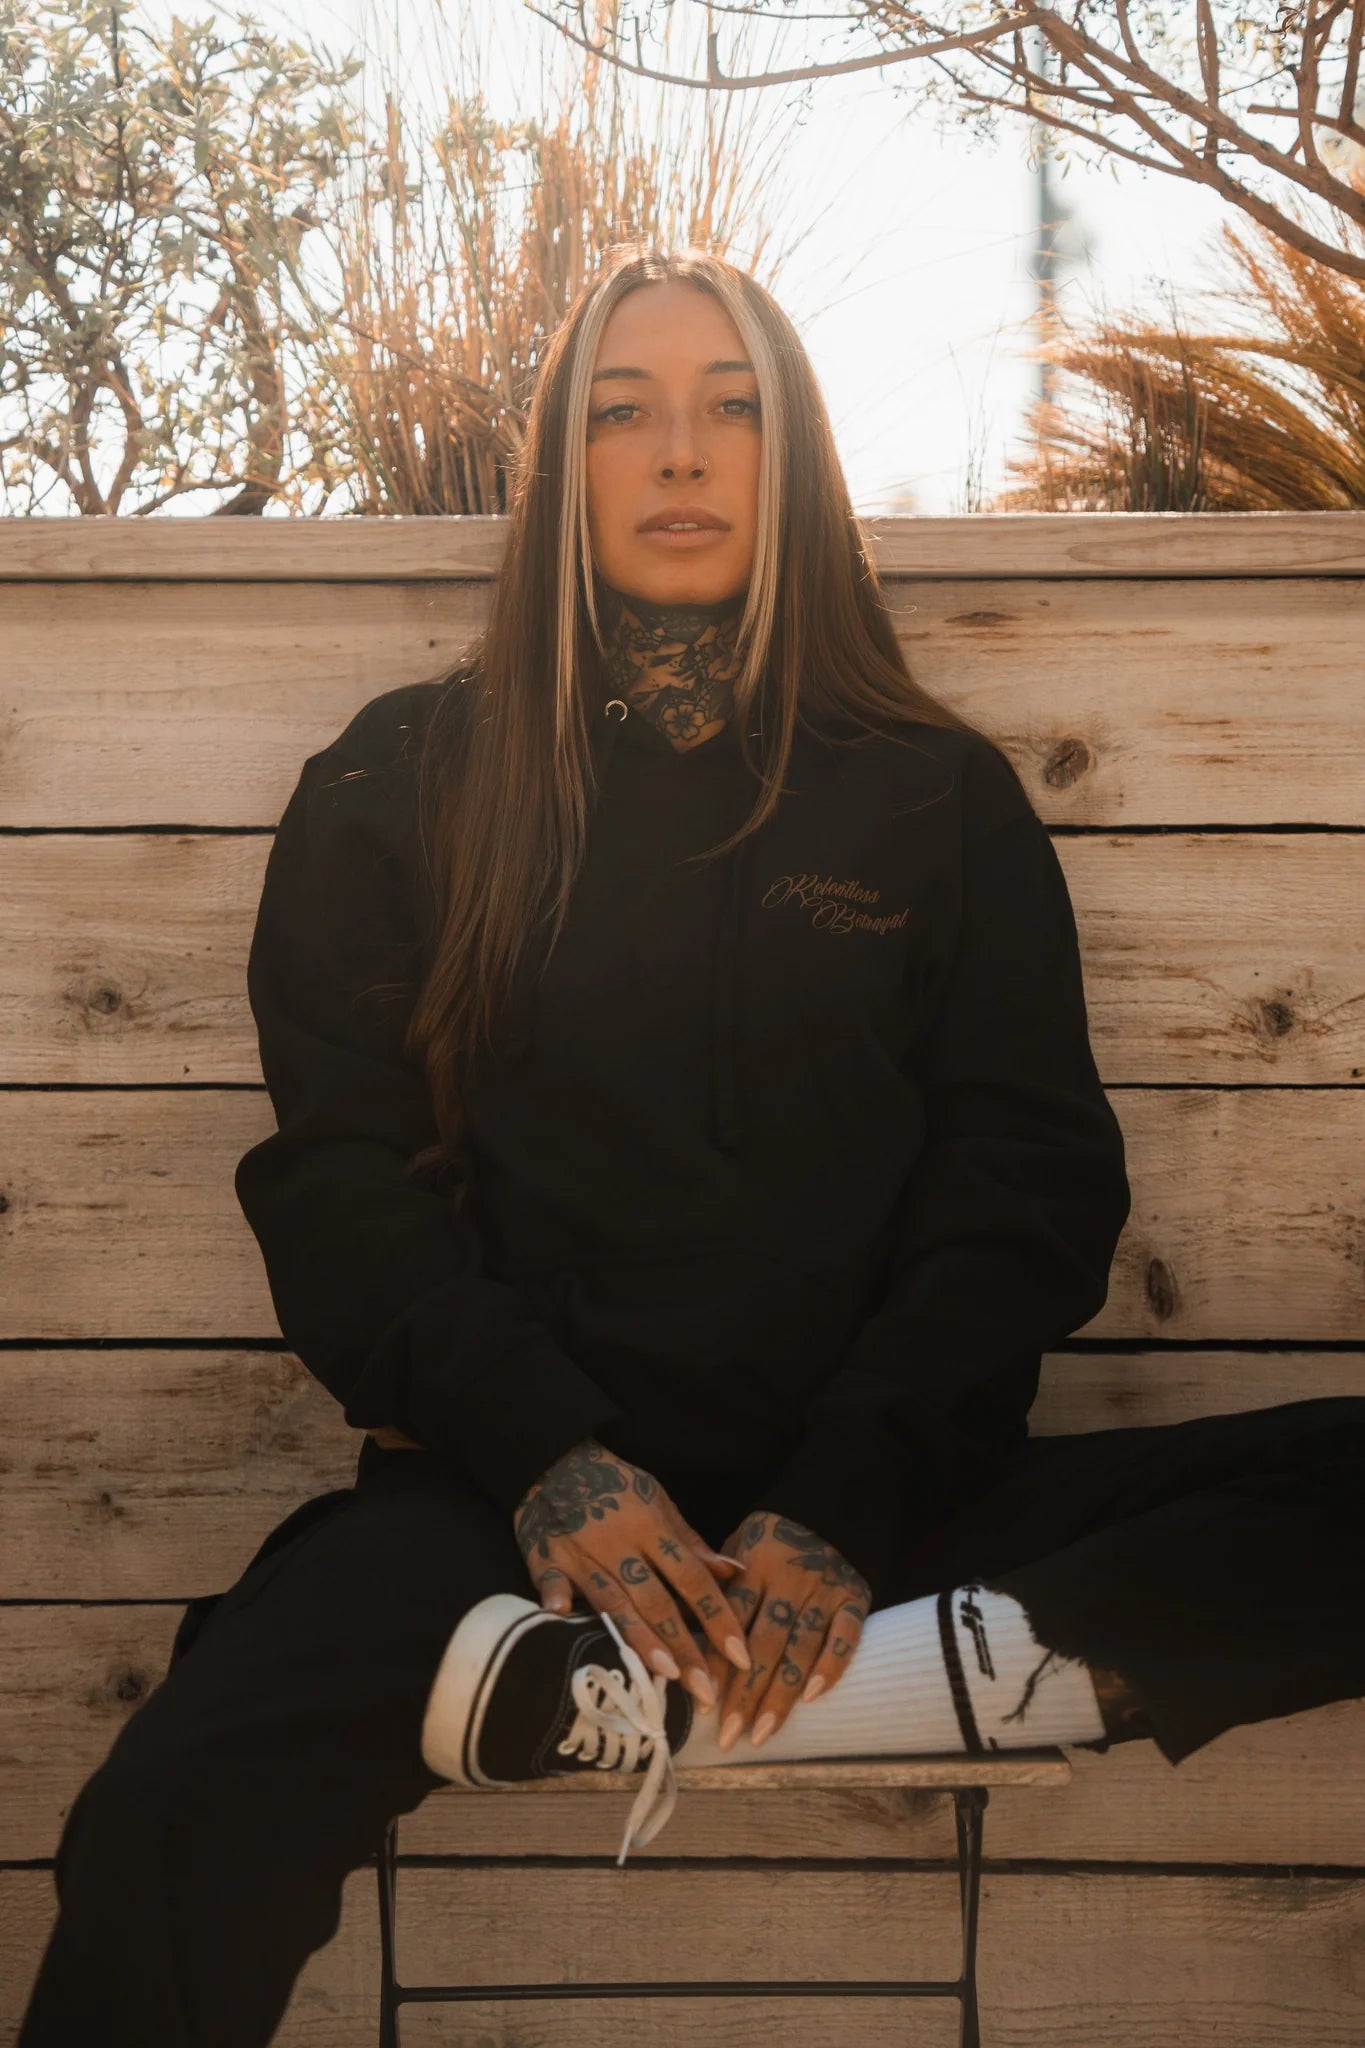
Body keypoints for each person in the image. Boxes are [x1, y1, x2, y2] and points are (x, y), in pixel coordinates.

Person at [19, 246, 1365, 2046]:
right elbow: (338, 1182)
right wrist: (552, 1466)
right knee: (165, 1815)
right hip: (505, 1535)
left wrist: (844, 1506)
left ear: (791, 459)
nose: (678, 455)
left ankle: (748, 1687)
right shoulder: (402, 778)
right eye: (623, 412)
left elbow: (1025, 1186)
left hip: (881, 1522)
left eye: (730, 411)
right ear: (562, 467)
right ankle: (668, 1676)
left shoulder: (924, 795)